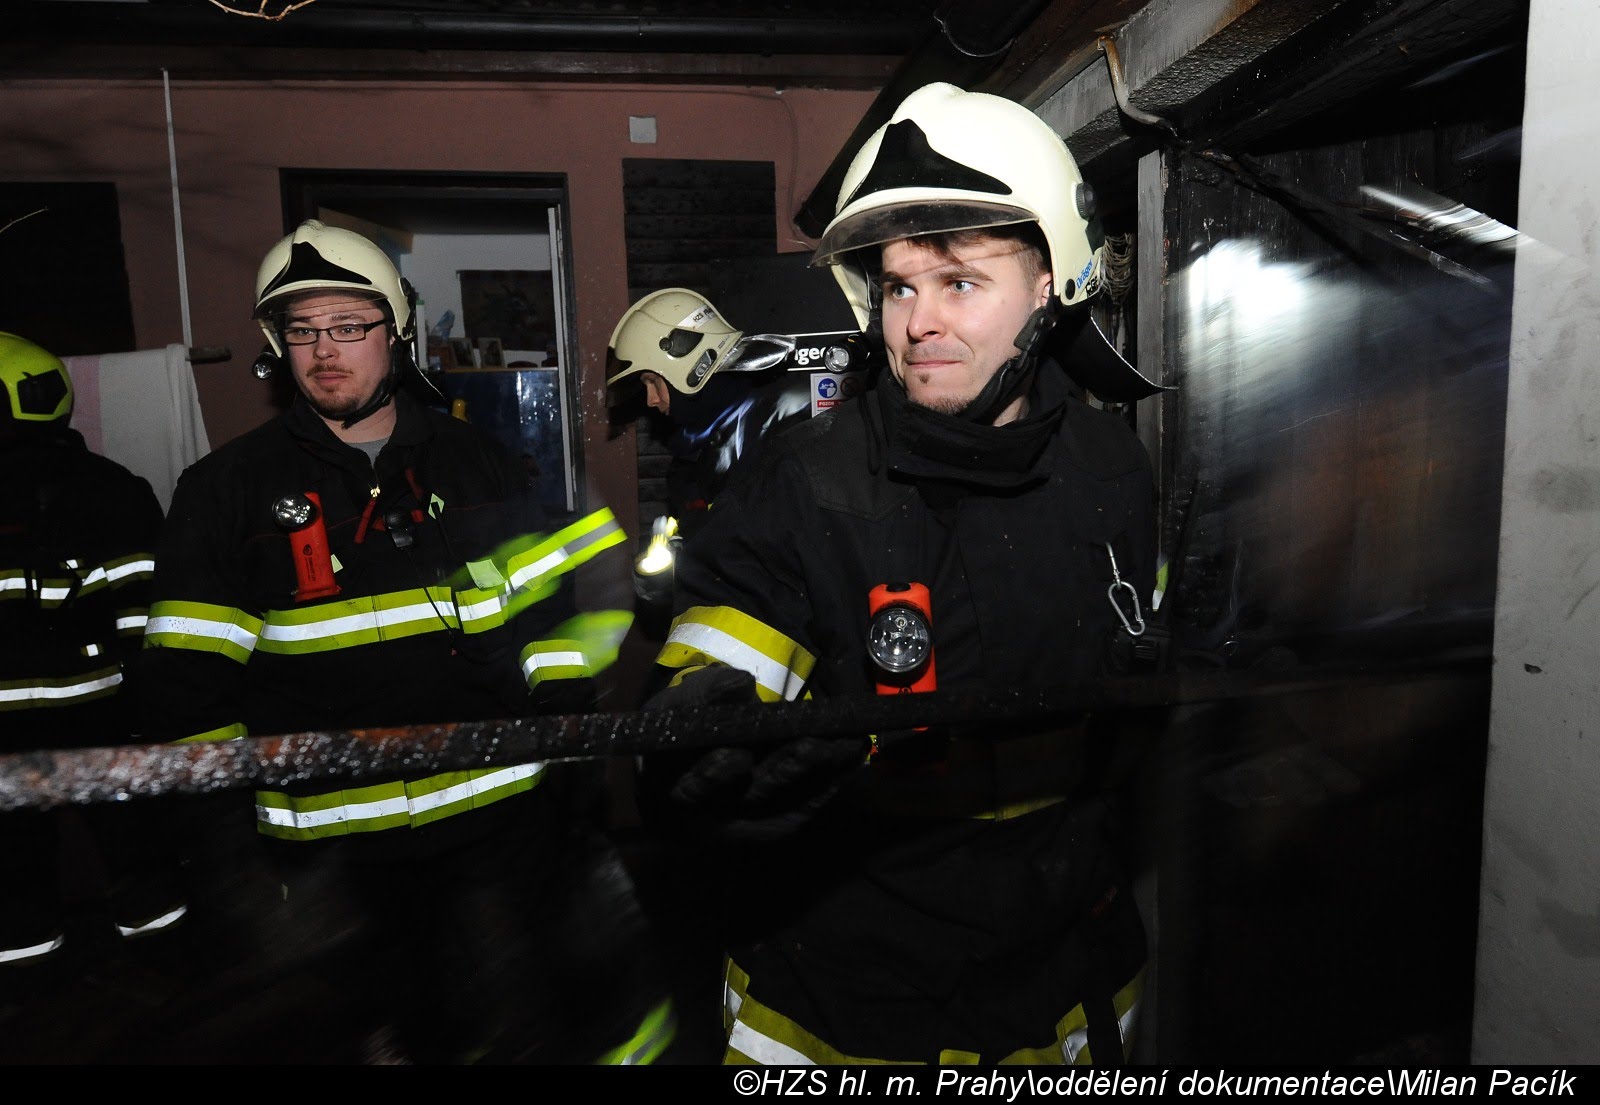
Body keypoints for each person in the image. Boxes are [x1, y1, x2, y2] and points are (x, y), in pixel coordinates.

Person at [638, 82, 1165, 1065]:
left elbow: (1137, 695)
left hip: (1065, 990)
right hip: (844, 1009)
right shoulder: (804, 483)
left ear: (1050, 284)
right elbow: (724, 650)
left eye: (959, 281)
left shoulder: (1114, 471)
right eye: (897, 286)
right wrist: (702, 740)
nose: (918, 321)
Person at [136, 220, 674, 1064]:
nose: (324, 350)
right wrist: (232, 860)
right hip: (335, 867)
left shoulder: (482, 464)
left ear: (395, 331)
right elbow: (187, 693)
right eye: (302, 329)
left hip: (500, 834)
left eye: (348, 325)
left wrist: (565, 757)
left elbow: (551, 622)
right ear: (278, 344)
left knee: (554, 1030)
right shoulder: (224, 493)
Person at [0, 331, 186, 988]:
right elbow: (147, 607)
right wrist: (145, 697)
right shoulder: (114, 486)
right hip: (103, 703)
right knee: (133, 840)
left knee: (13, 858)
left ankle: (26, 973)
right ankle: (168, 957)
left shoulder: (105, 487)